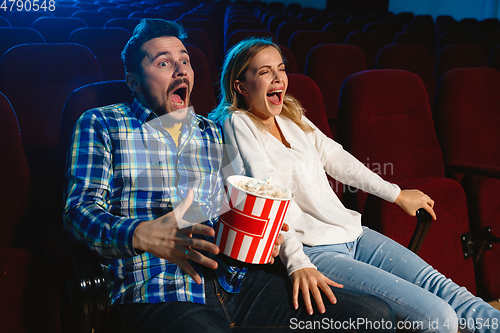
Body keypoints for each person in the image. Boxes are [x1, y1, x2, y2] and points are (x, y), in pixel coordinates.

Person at [63, 19, 398, 333]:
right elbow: (78, 212)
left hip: (233, 281)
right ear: (133, 81)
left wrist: (282, 248)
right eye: (164, 63)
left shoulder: (212, 132)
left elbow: (244, 202)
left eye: (186, 61)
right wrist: (140, 234)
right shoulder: (103, 124)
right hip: (156, 288)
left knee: (373, 316)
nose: (181, 69)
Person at [208, 37, 500, 333]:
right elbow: (267, 192)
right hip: (315, 251)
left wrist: (395, 194)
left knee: (452, 292)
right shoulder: (236, 122)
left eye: (281, 69)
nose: (277, 78)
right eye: (264, 71)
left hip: (353, 233)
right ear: (240, 86)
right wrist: (297, 262)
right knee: (439, 317)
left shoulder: (291, 116)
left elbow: (338, 159)